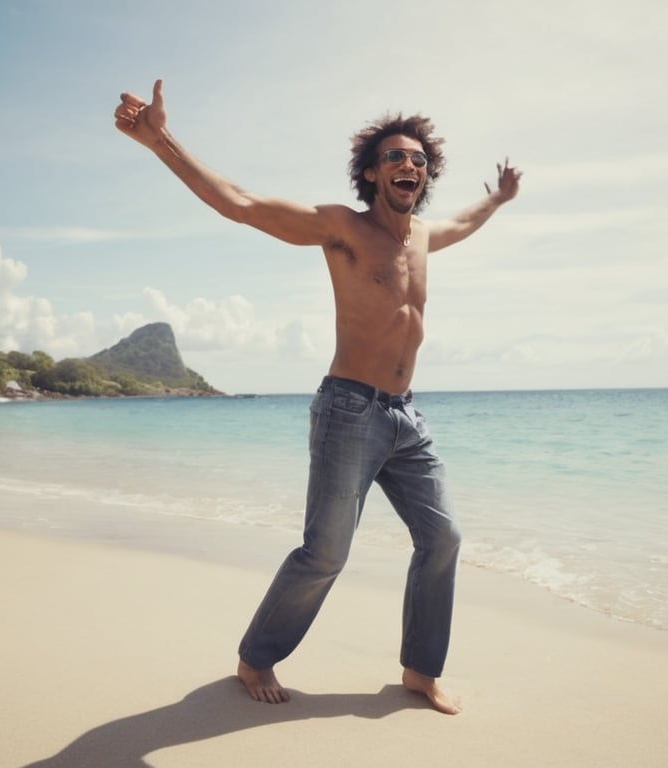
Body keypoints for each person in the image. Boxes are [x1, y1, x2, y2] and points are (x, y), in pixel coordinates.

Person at [114, 80, 521, 715]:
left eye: (417, 159)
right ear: (370, 172)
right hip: (349, 410)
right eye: (394, 157)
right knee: (327, 552)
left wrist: (497, 197)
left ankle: (420, 670)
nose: (408, 165)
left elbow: (465, 221)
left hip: (406, 416)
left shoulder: (421, 237)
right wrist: (159, 140)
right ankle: (256, 658)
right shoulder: (341, 229)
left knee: (443, 538)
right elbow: (242, 203)